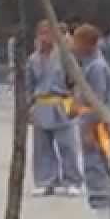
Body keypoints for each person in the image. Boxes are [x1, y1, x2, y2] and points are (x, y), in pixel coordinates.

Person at [28, 20, 83, 197]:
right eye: (41, 33)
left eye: (48, 33)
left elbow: (76, 81)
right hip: (41, 104)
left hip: (61, 103)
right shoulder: (33, 59)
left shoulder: (65, 57)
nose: (44, 37)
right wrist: (28, 108)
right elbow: (29, 86)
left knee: (67, 145)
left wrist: (76, 101)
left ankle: (72, 180)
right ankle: (46, 180)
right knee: (42, 147)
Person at [70, 25, 110, 219]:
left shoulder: (96, 67)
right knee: (94, 168)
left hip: (94, 123)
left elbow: (96, 101)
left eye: (77, 41)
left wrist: (89, 129)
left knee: (96, 168)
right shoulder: (87, 65)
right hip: (88, 120)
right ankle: (101, 216)